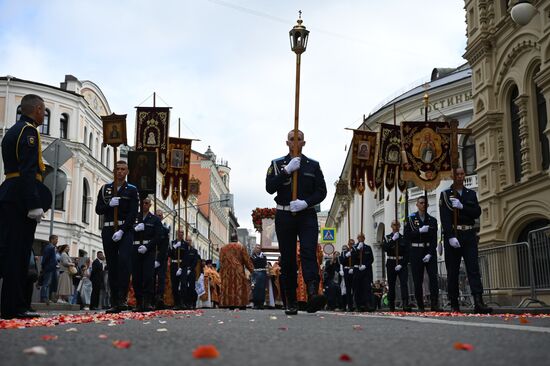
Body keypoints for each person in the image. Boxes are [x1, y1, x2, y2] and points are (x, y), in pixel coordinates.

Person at [265, 129, 327, 315]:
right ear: (287, 142)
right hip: (284, 216)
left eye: (298, 139)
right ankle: (290, 300)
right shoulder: (276, 165)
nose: (295, 142)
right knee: (289, 258)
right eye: (292, 139)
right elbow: (269, 188)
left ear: (303, 143)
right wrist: (286, 171)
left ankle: (312, 294)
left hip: (306, 214)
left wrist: (306, 203)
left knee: (308, 252)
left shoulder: (313, 166)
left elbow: (321, 191)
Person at [0, 94, 50, 319]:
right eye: (44, 110)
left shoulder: (13, 130)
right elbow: (29, 169)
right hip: (21, 197)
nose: (43, 114)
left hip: (10, 193)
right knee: (18, 254)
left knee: (12, 251)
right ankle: (16, 306)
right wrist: (34, 203)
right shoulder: (29, 131)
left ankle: (12, 305)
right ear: (37, 109)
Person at [440, 167, 492, 313]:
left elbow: (476, 212)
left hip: (469, 234)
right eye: (457, 174)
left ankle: (478, 301)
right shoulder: (445, 195)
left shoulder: (471, 194)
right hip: (454, 235)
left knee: (473, 269)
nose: (460, 176)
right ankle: (454, 302)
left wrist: (462, 207)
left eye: (462, 174)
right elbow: (444, 217)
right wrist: (450, 236)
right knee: (453, 271)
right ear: (453, 176)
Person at [95, 160, 139, 313]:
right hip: (108, 230)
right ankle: (115, 301)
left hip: (124, 230)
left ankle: (122, 298)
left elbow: (133, 213)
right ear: (114, 171)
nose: (120, 172)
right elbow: (98, 209)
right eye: (117, 169)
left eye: (123, 169)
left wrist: (122, 230)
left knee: (124, 262)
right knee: (112, 265)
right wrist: (109, 205)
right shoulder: (105, 189)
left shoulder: (132, 190)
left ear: (127, 172)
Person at [404, 196, 441, 311]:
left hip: (429, 251)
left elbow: (434, 239)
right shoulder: (410, 219)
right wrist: (418, 231)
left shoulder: (432, 220)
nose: (423, 205)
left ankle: (435, 303)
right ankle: (420, 304)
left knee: (433, 278)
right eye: (421, 203)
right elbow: (407, 236)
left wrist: (430, 253)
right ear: (417, 205)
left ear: (428, 205)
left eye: (425, 203)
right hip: (416, 251)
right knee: (417, 279)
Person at [132, 197, 162, 312]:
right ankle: (139, 302)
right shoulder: (135, 217)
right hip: (135, 248)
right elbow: (128, 229)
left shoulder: (154, 220)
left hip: (148, 250)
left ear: (150, 205)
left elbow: (158, 236)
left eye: (146, 203)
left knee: (148, 277)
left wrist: (147, 246)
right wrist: (135, 228)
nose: (144, 205)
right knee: (136, 277)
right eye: (142, 203)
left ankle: (147, 302)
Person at [383, 220, 412, 312]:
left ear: (400, 226)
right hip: (391, 262)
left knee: (404, 284)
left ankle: (405, 304)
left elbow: (407, 253)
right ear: (391, 226)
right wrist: (392, 240)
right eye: (394, 225)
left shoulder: (404, 238)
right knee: (391, 285)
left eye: (398, 225)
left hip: (401, 262)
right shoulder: (387, 237)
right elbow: (386, 248)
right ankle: (391, 305)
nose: (396, 226)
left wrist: (401, 264)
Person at [219, 241, 254, 309]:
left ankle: (229, 303)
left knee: (229, 287)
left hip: (227, 271)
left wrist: (222, 271)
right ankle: (240, 304)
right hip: (238, 270)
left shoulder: (223, 248)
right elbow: (246, 260)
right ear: (236, 239)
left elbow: (221, 260)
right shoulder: (241, 247)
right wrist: (251, 269)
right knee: (239, 287)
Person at [351, 233, 374, 312]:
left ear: (364, 238)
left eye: (362, 237)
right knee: (357, 288)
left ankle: (367, 304)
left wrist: (365, 265)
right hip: (357, 270)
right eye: (359, 237)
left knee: (366, 287)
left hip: (365, 270)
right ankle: (358, 305)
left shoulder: (368, 248)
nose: (361, 239)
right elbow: (353, 259)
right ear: (357, 238)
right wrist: (357, 249)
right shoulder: (354, 248)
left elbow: (371, 259)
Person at [154, 209, 170, 309]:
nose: (159, 217)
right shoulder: (151, 227)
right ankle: (149, 298)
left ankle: (159, 298)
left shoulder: (164, 230)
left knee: (161, 279)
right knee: (150, 278)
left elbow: (164, 247)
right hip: (151, 255)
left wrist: (159, 260)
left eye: (160, 215)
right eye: (157, 215)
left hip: (161, 257)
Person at [40, 235, 58, 304]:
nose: (57, 241)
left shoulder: (52, 248)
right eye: (56, 239)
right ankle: (44, 297)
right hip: (49, 268)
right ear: (52, 239)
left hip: (52, 268)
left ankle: (46, 297)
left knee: (49, 283)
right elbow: (45, 258)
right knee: (46, 283)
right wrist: (44, 266)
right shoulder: (50, 247)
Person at [339, 241, 355, 311]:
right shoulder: (344, 253)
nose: (351, 245)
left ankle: (355, 305)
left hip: (353, 270)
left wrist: (353, 267)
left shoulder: (355, 251)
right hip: (346, 270)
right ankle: (349, 306)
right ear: (348, 244)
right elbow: (342, 261)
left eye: (353, 244)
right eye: (350, 244)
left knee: (354, 289)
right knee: (347, 289)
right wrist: (346, 256)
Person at [250, 244, 268, 309]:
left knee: (262, 289)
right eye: (257, 248)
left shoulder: (263, 255)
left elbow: (264, 263)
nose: (258, 249)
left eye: (259, 248)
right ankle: (256, 304)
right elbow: (253, 262)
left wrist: (258, 260)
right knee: (255, 288)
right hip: (255, 273)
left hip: (263, 273)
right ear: (254, 249)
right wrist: (259, 260)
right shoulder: (252, 256)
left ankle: (261, 303)